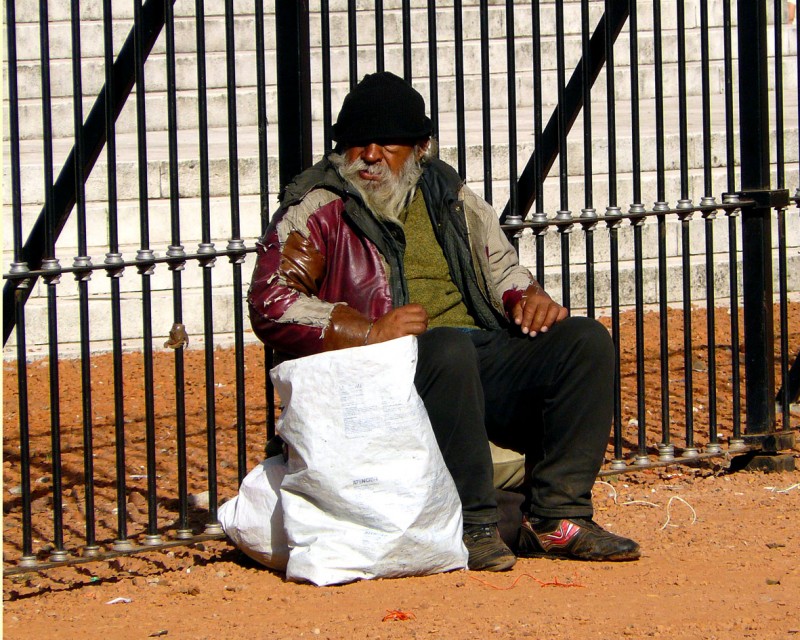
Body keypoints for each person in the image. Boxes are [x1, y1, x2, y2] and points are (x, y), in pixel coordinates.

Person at [248, 71, 641, 572]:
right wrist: (367, 329)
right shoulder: (317, 207)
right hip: (386, 371)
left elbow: (500, 265)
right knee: (446, 347)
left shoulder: (447, 191)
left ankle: (559, 518)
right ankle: (475, 526)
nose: (370, 156)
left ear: (420, 147)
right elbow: (271, 301)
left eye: (388, 143)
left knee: (584, 340)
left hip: (472, 353)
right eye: (356, 144)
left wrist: (526, 296)